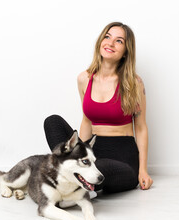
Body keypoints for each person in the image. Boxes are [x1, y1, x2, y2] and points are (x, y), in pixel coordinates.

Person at [44, 22, 153, 194]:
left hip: (122, 155)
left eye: (119, 41)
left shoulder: (134, 83)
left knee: (99, 168)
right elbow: (87, 121)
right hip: (92, 150)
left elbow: (140, 127)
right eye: (107, 37)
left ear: (126, 51)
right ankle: (74, 177)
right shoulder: (84, 79)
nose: (110, 43)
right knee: (52, 122)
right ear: (100, 41)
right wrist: (79, 152)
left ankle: (71, 182)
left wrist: (143, 170)